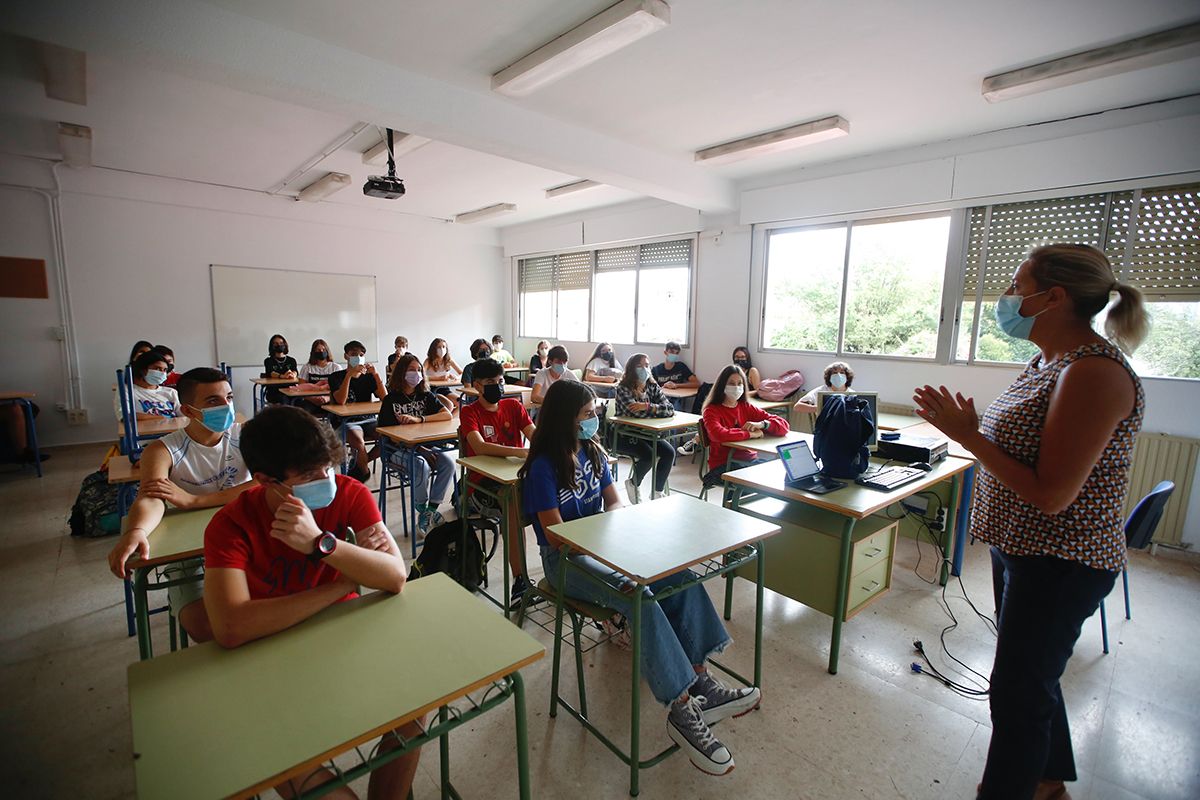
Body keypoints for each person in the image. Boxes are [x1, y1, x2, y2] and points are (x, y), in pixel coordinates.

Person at [912, 244, 1148, 800]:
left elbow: (1051, 494)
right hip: (1020, 549)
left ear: (1054, 297)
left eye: (1018, 284)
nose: (1008, 297)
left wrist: (968, 437)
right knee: (1031, 679)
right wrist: (968, 431)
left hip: (1061, 561)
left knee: (1016, 692)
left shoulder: (1094, 373)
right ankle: (1047, 781)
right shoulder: (1047, 361)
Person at [521, 379, 760, 777]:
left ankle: (701, 680)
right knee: (640, 594)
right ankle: (682, 711)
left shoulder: (593, 452)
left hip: (604, 548)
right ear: (565, 419)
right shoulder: (544, 466)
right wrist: (610, 546)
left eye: (593, 413)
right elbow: (555, 535)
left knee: (677, 575)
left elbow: (616, 500)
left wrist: (622, 533)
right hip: (564, 562)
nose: (594, 420)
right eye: (586, 415)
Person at [202, 405, 421, 798]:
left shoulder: (350, 494)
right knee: (290, 760)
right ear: (266, 480)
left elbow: (394, 576)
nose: (325, 480)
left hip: (344, 640)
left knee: (415, 712)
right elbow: (232, 627)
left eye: (328, 467)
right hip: (266, 658)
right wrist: (342, 583)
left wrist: (322, 545)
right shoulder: (231, 524)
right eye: (308, 475)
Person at [106, 367, 254, 641]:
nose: (226, 406)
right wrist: (136, 531)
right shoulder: (162, 450)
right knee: (205, 626)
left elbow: (265, 482)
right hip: (190, 551)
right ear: (187, 410)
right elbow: (152, 497)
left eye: (229, 397)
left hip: (245, 537)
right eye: (213, 401)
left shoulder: (245, 436)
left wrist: (196, 500)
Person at [459, 358, 536, 607]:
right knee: (513, 501)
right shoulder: (469, 411)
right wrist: (517, 452)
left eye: (500, 381)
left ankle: (562, 572)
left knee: (555, 493)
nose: (497, 386)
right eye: (491, 382)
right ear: (477, 386)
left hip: (515, 478)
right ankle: (520, 580)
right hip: (483, 485)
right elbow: (479, 445)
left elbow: (533, 434)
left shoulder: (513, 406)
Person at [377, 354, 455, 534]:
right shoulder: (391, 400)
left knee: (449, 464)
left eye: (419, 370)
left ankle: (431, 510)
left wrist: (419, 419)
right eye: (412, 370)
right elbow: (390, 436)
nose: (416, 373)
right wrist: (420, 449)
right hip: (396, 451)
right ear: (401, 373)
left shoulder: (426, 396)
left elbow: (447, 415)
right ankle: (422, 508)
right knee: (421, 466)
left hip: (425, 448)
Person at [702, 364, 790, 486]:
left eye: (740, 383)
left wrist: (763, 424)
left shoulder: (745, 407)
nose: (736, 387)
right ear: (722, 385)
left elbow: (784, 426)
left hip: (749, 460)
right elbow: (718, 434)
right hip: (723, 464)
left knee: (779, 476)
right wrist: (750, 434)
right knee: (751, 482)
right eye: (731, 383)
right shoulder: (711, 410)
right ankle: (733, 504)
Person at [614, 353, 676, 504]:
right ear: (631, 369)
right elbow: (634, 413)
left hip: (648, 433)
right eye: (640, 366)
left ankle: (657, 492)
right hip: (626, 434)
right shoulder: (623, 388)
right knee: (649, 455)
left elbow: (670, 409)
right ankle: (633, 483)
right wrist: (656, 412)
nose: (644, 369)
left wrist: (648, 406)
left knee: (669, 452)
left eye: (647, 366)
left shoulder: (652, 386)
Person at [327, 340, 386, 482]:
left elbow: (385, 398)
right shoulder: (335, 377)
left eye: (361, 354)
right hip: (346, 422)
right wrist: (349, 376)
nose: (358, 357)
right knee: (359, 443)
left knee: (389, 438)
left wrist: (376, 375)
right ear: (346, 356)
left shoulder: (368, 377)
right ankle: (364, 472)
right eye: (354, 354)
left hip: (369, 419)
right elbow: (341, 401)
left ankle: (359, 465)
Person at [115, 349, 181, 421]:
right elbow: (125, 415)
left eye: (165, 370)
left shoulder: (171, 392)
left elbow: (182, 415)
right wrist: (162, 418)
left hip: (173, 430)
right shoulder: (127, 390)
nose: (162, 373)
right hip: (146, 431)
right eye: (157, 368)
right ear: (143, 370)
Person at [297, 338, 341, 412]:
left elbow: (340, 389)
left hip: (330, 400)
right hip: (311, 401)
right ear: (313, 352)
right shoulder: (307, 367)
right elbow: (300, 388)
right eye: (318, 350)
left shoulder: (335, 367)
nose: (321, 352)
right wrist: (313, 399)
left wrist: (327, 398)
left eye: (323, 349)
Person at [262, 334, 298, 405]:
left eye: (281, 343)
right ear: (272, 346)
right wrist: (282, 376)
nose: (279, 345)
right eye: (276, 344)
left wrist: (293, 374)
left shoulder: (291, 360)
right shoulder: (268, 361)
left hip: (290, 389)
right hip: (275, 392)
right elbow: (271, 373)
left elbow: (295, 371)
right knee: (284, 400)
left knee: (299, 400)